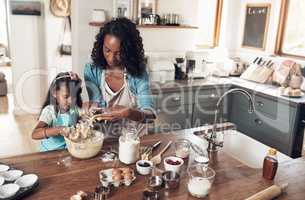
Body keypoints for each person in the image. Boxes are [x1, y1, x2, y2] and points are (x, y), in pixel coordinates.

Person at [84, 17, 155, 138]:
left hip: (135, 139)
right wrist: (93, 111)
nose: (111, 58)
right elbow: (97, 105)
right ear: (101, 46)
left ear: (128, 51)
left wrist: (128, 113)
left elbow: (150, 116)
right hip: (106, 139)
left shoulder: (138, 74)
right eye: (107, 50)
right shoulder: (92, 71)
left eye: (118, 53)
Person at [32, 72, 82, 151]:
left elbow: (83, 120)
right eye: (66, 96)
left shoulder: (74, 109)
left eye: (74, 96)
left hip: (68, 151)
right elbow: (34, 134)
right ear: (54, 92)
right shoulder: (50, 111)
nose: (70, 101)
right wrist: (58, 130)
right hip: (48, 152)